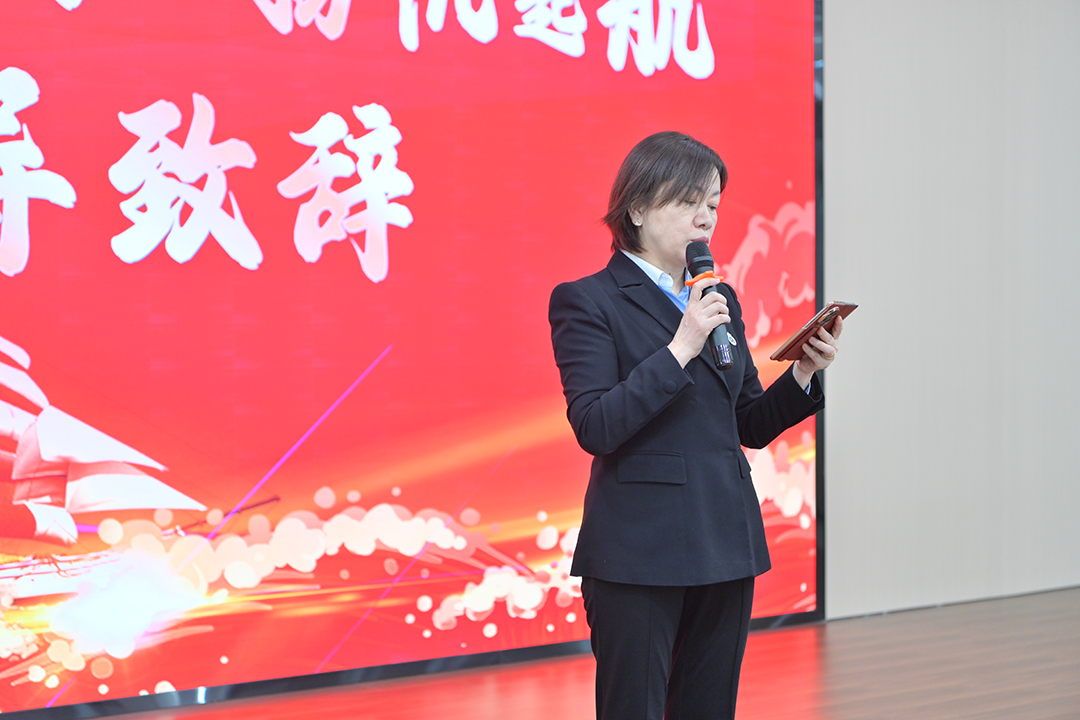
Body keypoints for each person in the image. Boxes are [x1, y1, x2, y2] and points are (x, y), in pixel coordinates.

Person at [548, 131, 841, 720]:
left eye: (713, 204)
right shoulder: (588, 300)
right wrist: (680, 347)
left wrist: (804, 372)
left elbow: (747, 422)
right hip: (638, 551)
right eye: (689, 202)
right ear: (637, 208)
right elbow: (596, 425)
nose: (706, 218)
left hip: (725, 540)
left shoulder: (716, 297)